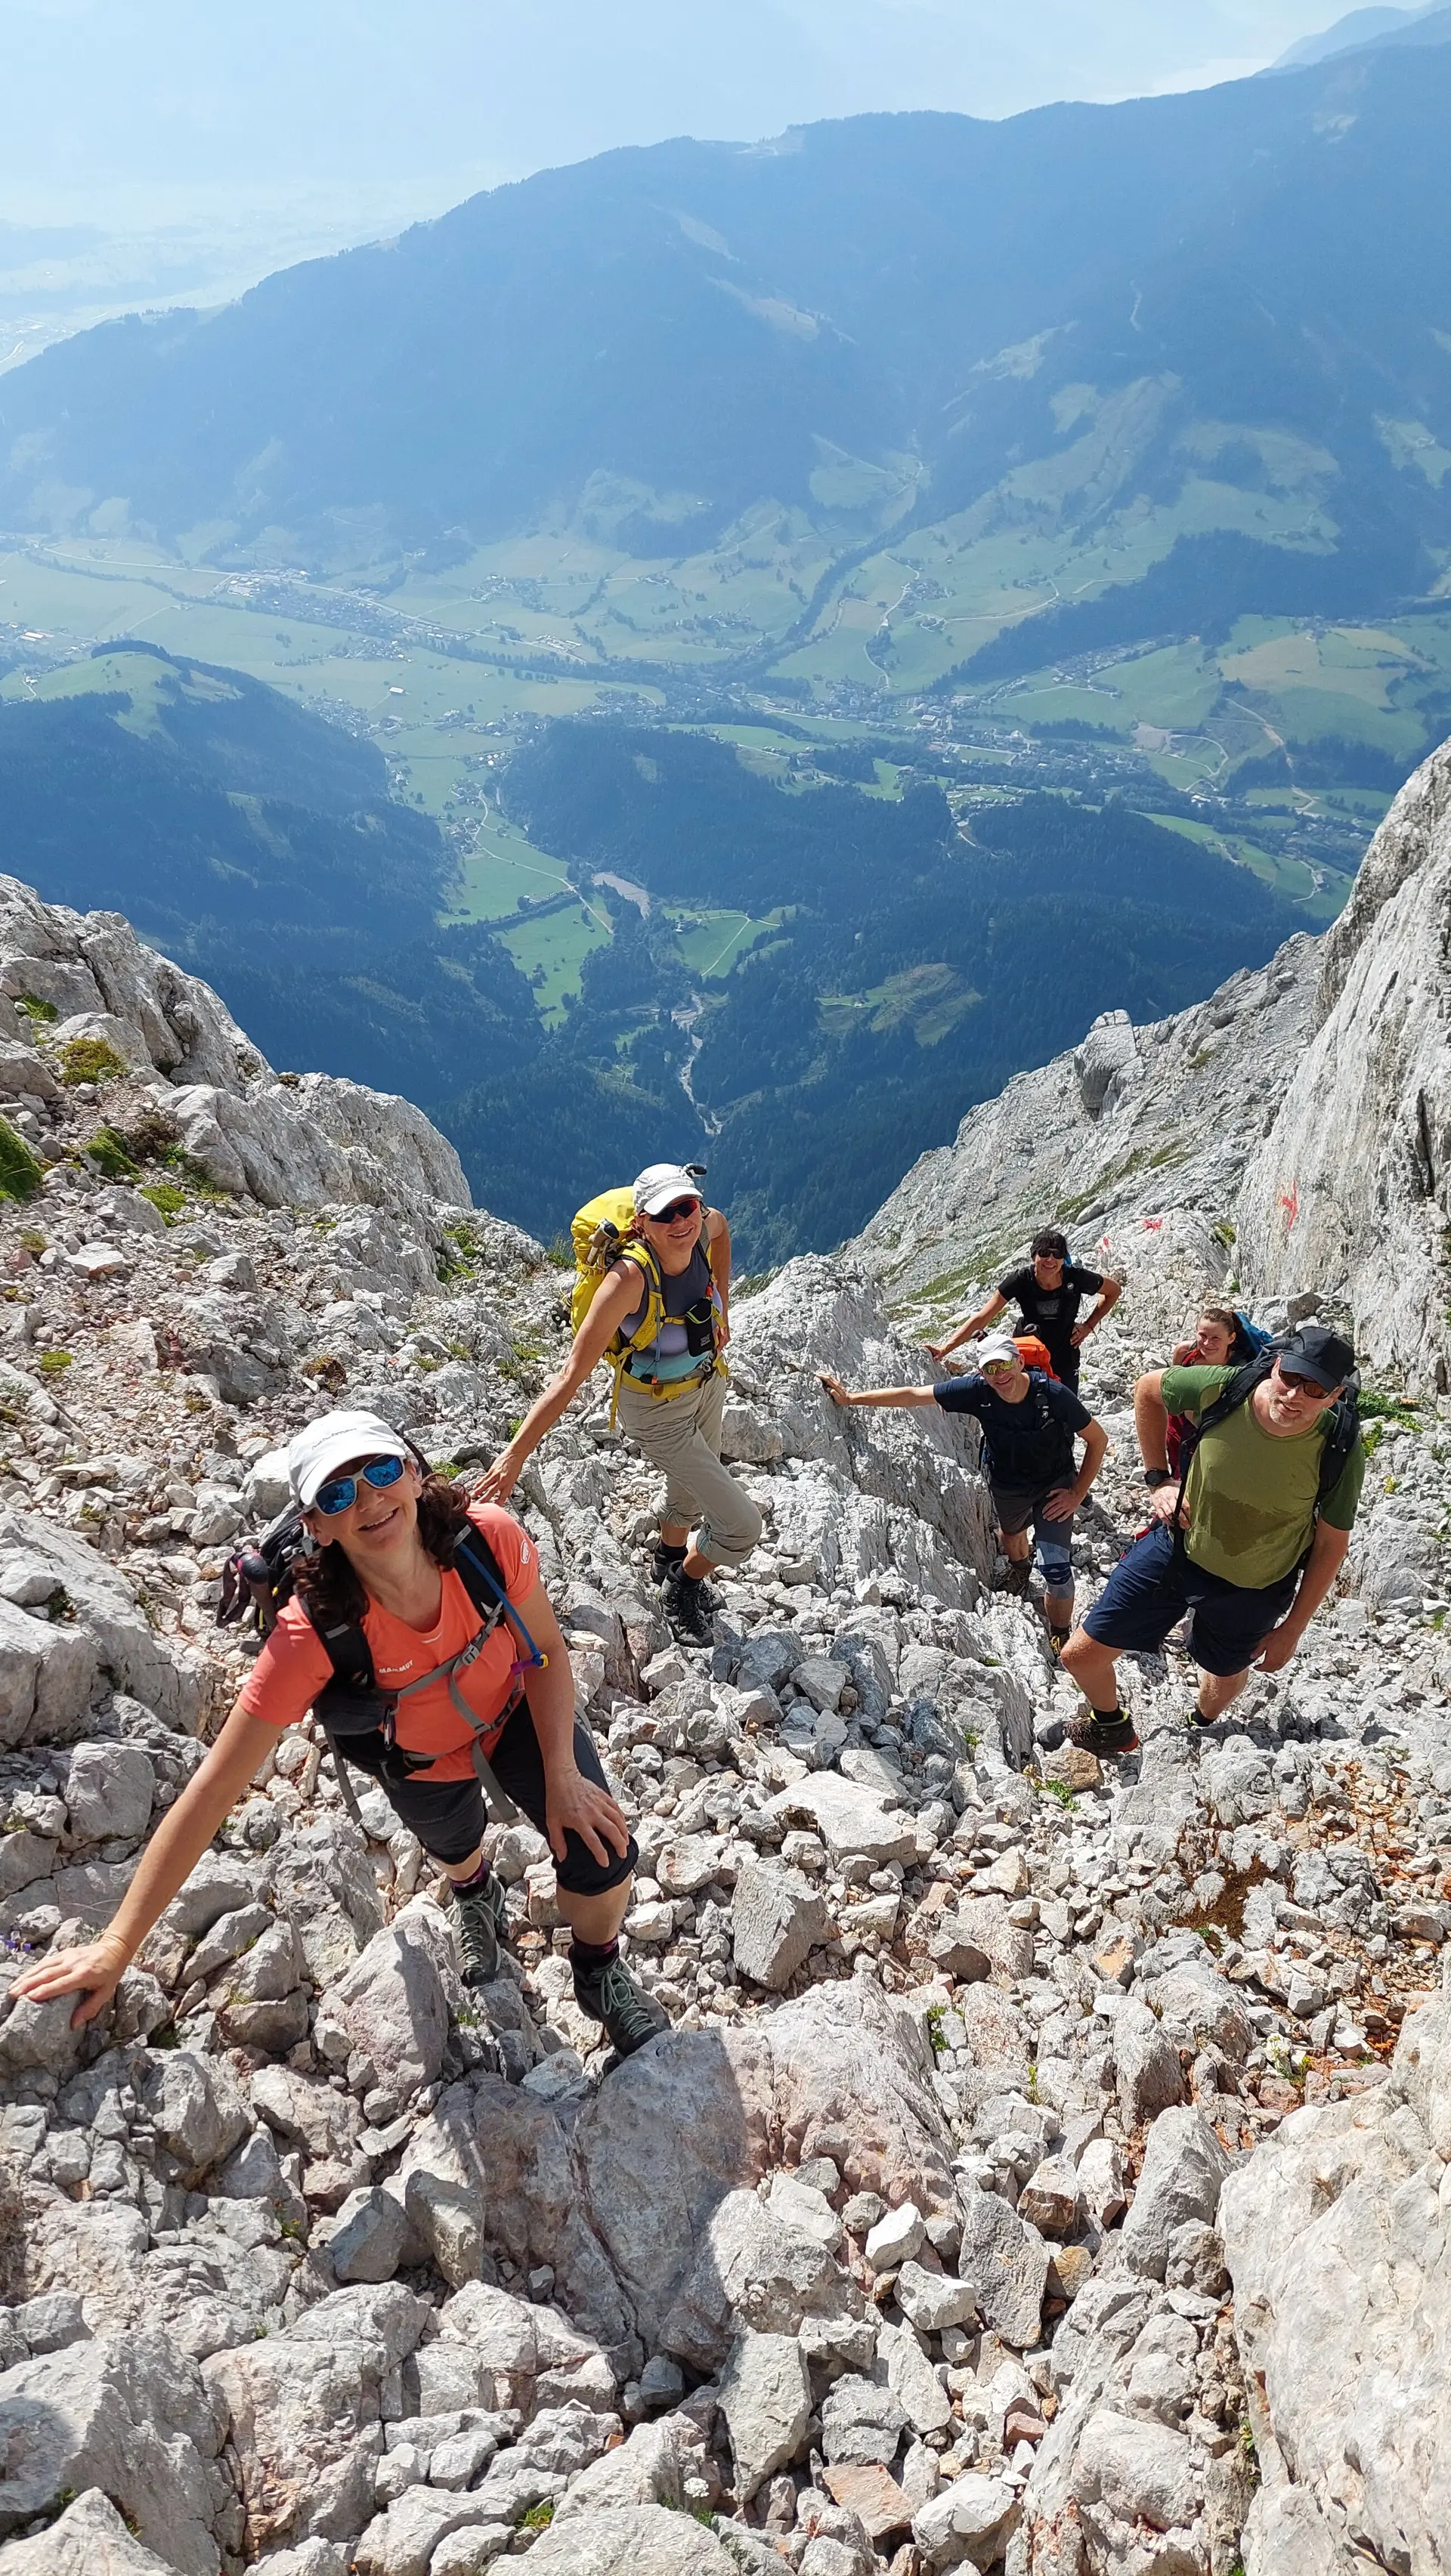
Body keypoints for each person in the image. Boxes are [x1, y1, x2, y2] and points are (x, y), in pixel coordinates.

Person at [11, 1411, 668, 2060]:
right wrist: (118, 1944)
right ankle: (475, 1891)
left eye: (381, 1471)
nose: (369, 1500)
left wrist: (561, 1771)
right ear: (316, 1526)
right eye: (338, 1493)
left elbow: (546, 1650)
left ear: (413, 1474)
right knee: (455, 1845)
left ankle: (598, 1970)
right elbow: (212, 1791)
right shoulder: (311, 1634)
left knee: (602, 1847)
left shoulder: (486, 1541)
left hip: (516, 1714)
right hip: (419, 1758)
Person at [479, 1164, 762, 1646]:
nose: (680, 1221)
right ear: (641, 1223)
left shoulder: (702, 1227)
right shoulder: (628, 1279)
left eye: (686, 1206)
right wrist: (513, 1457)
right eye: (663, 1213)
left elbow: (721, 1229)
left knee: (690, 1492)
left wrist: (724, 1304)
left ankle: (668, 1560)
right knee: (741, 1525)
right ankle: (683, 1586)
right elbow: (570, 1377)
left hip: (707, 1383)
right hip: (655, 1411)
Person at [1060, 1324, 1364, 1759]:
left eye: (1316, 1390)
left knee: (1222, 1676)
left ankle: (1201, 1722)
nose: (1297, 1396)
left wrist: (1293, 1629)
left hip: (1257, 1584)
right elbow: (1148, 1390)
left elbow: (1332, 1543)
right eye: (1292, 1378)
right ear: (1275, 1366)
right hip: (1179, 1549)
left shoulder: (1339, 1444)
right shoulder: (1226, 1389)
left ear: (1335, 1396)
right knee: (1080, 1656)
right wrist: (1157, 1479)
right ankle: (1111, 1726)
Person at [819, 1332, 1109, 1647]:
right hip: (1008, 1484)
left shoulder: (1053, 1394)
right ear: (982, 1372)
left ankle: (1060, 1636)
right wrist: (851, 1399)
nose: (1000, 1376)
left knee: (1057, 1572)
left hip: (1055, 1489)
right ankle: (1020, 1569)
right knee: (1011, 1534)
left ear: (1020, 1362)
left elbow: (1098, 1440)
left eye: (1005, 1365)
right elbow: (914, 1396)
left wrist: (1077, 1493)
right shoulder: (977, 1391)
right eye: (990, 1369)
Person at [927, 1229, 1120, 1392]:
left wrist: (1088, 1326)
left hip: (1064, 1356)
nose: (1050, 1259)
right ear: (1034, 1255)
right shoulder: (1021, 1280)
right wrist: (944, 1349)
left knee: (1066, 1415)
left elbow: (1113, 1291)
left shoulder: (1076, 1278)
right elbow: (982, 1318)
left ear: (1063, 1259)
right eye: (1044, 1252)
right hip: (1026, 1356)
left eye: (1057, 1254)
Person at [1165, 1303, 1266, 1474]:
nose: (1207, 1343)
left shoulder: (1241, 1371)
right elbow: (1172, 1385)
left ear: (1231, 1338)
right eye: (1202, 1335)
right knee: (1178, 1470)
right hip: (1180, 1425)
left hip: (1212, 1431)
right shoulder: (1184, 1352)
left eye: (1216, 1338)